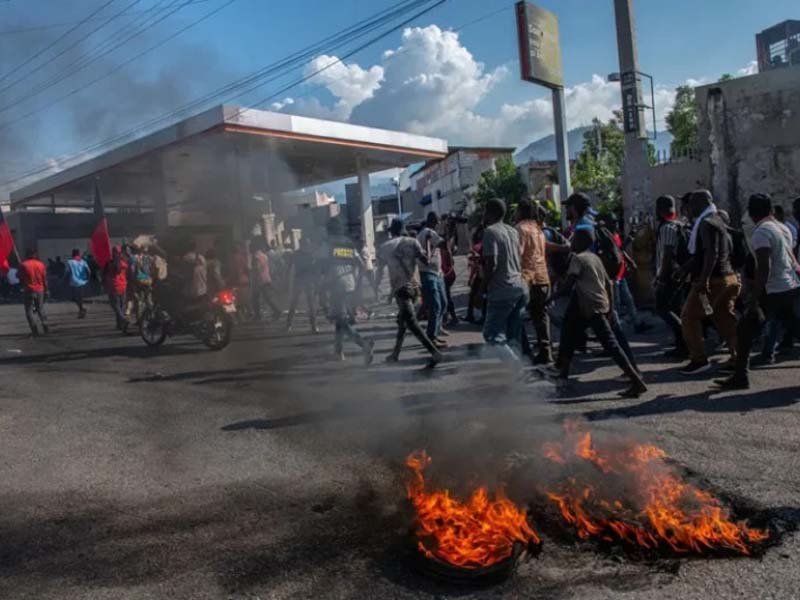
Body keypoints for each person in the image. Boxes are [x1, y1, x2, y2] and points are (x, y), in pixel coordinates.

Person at [551, 229, 648, 398]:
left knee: (611, 344)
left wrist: (549, 299)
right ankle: (563, 372)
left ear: (580, 242)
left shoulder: (578, 258)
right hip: (594, 304)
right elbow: (608, 284)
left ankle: (637, 382)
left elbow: (567, 286)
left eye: (574, 240)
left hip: (590, 306)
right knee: (568, 331)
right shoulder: (595, 257)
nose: (570, 243)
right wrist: (610, 307)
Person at [717, 194, 800, 389]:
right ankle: (740, 376)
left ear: (752, 212)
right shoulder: (782, 227)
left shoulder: (761, 232)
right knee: (792, 327)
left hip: (773, 290)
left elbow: (764, 266)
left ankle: (740, 377)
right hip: (789, 287)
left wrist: (754, 299)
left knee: (745, 330)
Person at [678, 189, 740, 374]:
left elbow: (710, 254)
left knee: (689, 317)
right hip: (728, 279)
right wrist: (685, 269)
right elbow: (702, 254)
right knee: (722, 317)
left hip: (712, 282)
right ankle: (739, 358)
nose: (689, 208)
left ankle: (699, 360)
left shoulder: (706, 223)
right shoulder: (718, 220)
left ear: (701, 203)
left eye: (691, 204)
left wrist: (703, 280)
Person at [377, 219, 442, 367]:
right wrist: (427, 246)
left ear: (391, 231)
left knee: (411, 323)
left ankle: (435, 353)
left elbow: (379, 272)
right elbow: (426, 261)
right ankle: (395, 354)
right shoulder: (413, 242)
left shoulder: (385, 247)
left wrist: (376, 287)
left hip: (401, 290)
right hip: (415, 289)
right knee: (403, 322)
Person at [319, 217, 374, 364]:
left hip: (335, 285)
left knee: (341, 321)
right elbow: (361, 265)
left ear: (329, 229)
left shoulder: (327, 243)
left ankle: (364, 344)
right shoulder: (349, 244)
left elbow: (322, 266)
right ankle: (338, 351)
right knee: (340, 318)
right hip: (350, 284)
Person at [481, 198, 528, 363]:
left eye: (485, 211)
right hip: (520, 287)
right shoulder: (512, 231)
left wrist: (483, 286)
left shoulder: (490, 232)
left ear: (489, 213)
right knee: (512, 337)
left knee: (492, 336)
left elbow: (491, 263)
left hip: (502, 289)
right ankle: (516, 376)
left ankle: (516, 368)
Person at [515, 199, 552, 364]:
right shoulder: (539, 230)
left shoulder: (520, 229)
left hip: (527, 278)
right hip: (543, 277)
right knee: (541, 316)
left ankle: (525, 352)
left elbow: (519, 253)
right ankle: (546, 351)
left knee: (518, 315)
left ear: (521, 212)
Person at [654, 195, 688, 357]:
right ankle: (681, 344)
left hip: (669, 275)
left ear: (660, 210)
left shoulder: (667, 228)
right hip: (678, 274)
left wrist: (661, 278)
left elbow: (667, 255)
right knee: (675, 308)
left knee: (662, 308)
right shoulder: (679, 224)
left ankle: (685, 340)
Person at [417, 212, 448, 347]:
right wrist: (448, 229)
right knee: (436, 305)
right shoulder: (428, 232)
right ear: (433, 221)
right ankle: (431, 336)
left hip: (436, 273)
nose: (438, 224)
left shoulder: (427, 232)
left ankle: (435, 331)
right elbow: (444, 244)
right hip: (428, 273)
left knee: (443, 303)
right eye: (437, 221)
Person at [286, 236, 319, 333]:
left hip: (302, 280)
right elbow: (316, 269)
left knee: (297, 303)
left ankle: (289, 325)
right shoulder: (310, 254)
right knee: (307, 304)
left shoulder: (298, 254)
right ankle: (313, 326)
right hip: (304, 280)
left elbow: (289, 267)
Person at [251, 238, 282, 322]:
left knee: (256, 298)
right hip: (266, 278)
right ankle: (276, 311)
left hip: (259, 280)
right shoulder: (264, 255)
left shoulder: (256, 256)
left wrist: (253, 273)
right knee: (267, 297)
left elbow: (257, 268)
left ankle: (259, 315)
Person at [19, 249, 49, 336]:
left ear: (26, 255)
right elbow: (45, 279)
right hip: (40, 289)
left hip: (28, 290)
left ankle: (34, 330)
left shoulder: (23, 264)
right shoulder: (41, 264)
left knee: (29, 310)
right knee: (40, 308)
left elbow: (19, 277)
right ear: (35, 255)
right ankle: (45, 326)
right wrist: (47, 290)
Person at [105, 245, 129, 332]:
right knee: (121, 306)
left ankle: (123, 320)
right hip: (123, 286)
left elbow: (105, 274)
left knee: (115, 306)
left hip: (114, 286)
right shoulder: (124, 262)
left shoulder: (110, 263)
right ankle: (119, 325)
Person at [465, 226, 485, 324]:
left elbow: (474, 265)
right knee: (482, 295)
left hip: (481, 274)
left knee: (474, 294)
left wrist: (470, 278)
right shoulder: (484, 244)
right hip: (484, 273)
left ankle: (471, 315)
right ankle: (475, 315)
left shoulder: (476, 247)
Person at [65, 249, 90, 318]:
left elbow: (67, 273)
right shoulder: (83, 262)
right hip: (83, 282)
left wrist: (63, 281)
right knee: (80, 298)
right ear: (78, 254)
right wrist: (87, 279)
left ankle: (81, 309)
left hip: (74, 283)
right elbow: (88, 271)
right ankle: (81, 310)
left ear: (72, 254)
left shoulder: (69, 262)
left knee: (74, 298)